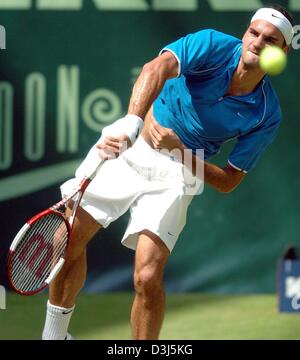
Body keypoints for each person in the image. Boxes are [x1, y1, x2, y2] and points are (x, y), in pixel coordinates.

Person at [42, 5, 294, 340]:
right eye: (254, 33)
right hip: (132, 147)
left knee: (147, 277)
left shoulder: (266, 113)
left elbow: (229, 181)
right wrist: (133, 123)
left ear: (283, 50)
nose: (258, 43)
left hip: (178, 173)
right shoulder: (214, 44)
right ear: (246, 31)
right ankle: (54, 336)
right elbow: (156, 67)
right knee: (68, 239)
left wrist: (180, 150)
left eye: (270, 39)